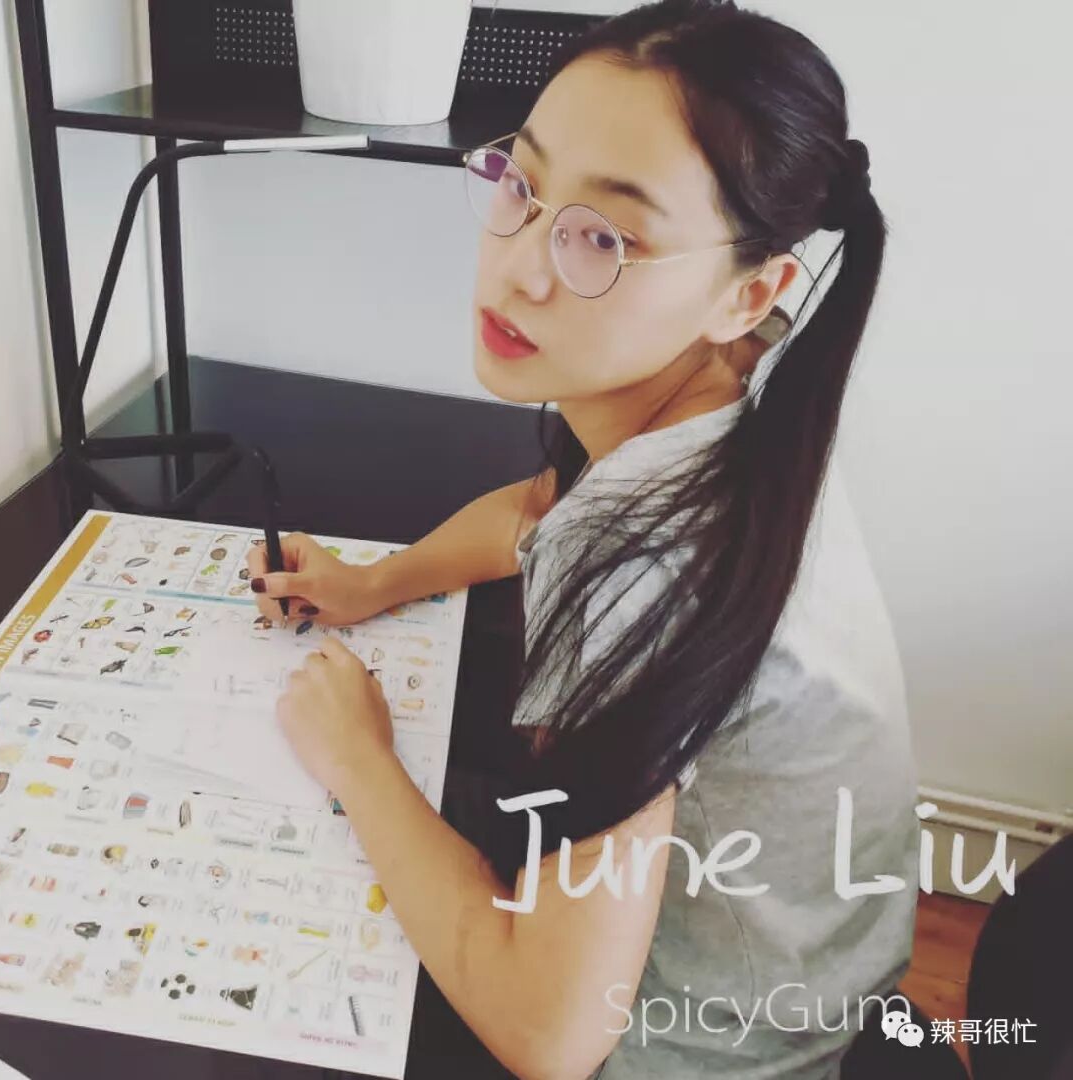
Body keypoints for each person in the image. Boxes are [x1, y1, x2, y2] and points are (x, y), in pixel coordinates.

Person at [247, 1, 920, 1076]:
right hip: (827, 977)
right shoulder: (742, 396)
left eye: (606, 237)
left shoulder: (638, 573)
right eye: (523, 185)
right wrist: (378, 581)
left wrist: (357, 758)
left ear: (750, 291)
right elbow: (542, 510)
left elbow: (546, 1033)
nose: (519, 267)